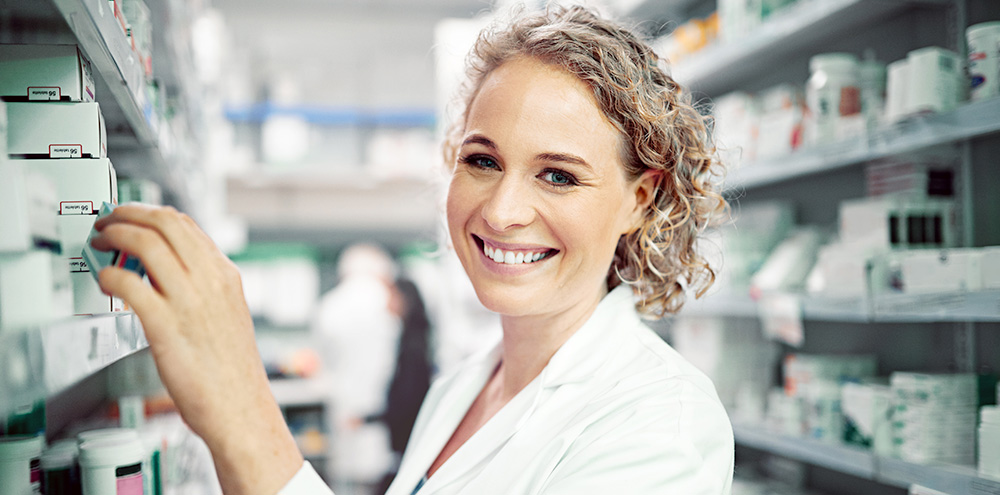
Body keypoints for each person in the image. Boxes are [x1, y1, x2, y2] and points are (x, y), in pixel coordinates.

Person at [89, 5, 734, 495]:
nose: (503, 211)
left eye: (558, 174)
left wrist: (240, 416)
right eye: (482, 160)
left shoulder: (660, 424)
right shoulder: (462, 387)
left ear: (640, 200)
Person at [312, 243, 401, 494]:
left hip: (343, 409)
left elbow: (324, 361)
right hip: (382, 413)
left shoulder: (329, 305)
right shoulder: (389, 301)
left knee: (346, 479)